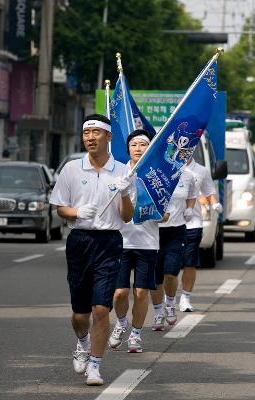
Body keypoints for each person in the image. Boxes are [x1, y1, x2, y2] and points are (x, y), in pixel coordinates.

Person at [50, 114, 134, 386]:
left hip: (109, 242)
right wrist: (76, 211)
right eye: (87, 133)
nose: (90, 137)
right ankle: (82, 342)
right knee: (80, 313)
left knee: (101, 309)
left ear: (108, 137)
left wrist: (123, 194)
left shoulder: (123, 172)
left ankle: (95, 365)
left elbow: (128, 216)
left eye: (96, 132)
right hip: (79, 241)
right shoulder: (72, 169)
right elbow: (60, 207)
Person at [109, 129, 168, 353]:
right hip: (121, 242)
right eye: (134, 145)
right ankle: (121, 322)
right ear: (128, 149)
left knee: (141, 293)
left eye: (142, 145)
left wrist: (151, 211)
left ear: (149, 149)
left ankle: (136, 333)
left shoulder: (157, 177)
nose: (138, 149)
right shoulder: (118, 175)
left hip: (147, 244)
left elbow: (165, 215)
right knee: (120, 293)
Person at [150, 168, 197, 331]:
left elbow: (191, 196)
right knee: (155, 275)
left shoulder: (188, 175)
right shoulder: (152, 172)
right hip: (153, 229)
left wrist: (190, 208)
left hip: (176, 230)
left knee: (171, 271)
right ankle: (157, 312)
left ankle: (170, 303)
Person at [179, 157, 222, 312]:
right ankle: (167, 298)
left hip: (193, 222)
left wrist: (215, 203)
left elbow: (209, 191)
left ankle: (185, 297)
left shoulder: (201, 170)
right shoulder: (167, 167)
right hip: (170, 223)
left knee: (189, 263)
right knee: (168, 265)